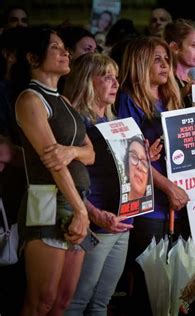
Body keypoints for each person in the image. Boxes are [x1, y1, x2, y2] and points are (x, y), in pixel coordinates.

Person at [115, 36, 195, 315]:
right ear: (139, 63)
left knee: (181, 288)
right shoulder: (128, 100)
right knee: (148, 288)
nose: (164, 64)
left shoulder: (173, 99)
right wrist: (168, 187)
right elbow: (130, 156)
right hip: (150, 208)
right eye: (156, 59)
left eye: (166, 59)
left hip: (184, 204)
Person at [14, 27, 94, 315]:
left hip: (75, 199)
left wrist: (72, 150)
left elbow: (90, 153)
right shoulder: (30, 99)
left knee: (62, 301)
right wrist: (81, 210)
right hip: (48, 199)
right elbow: (53, 162)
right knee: (41, 301)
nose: (65, 52)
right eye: (55, 48)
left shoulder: (64, 101)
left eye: (65, 47)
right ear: (33, 57)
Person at [63, 53, 137, 315]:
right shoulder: (77, 124)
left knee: (102, 303)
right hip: (96, 222)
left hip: (122, 221)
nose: (115, 83)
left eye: (116, 77)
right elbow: (67, 178)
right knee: (77, 301)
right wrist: (93, 213)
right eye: (106, 77)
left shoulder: (115, 123)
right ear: (86, 81)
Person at [164, 18, 195, 108]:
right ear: (174, 47)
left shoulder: (192, 80)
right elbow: (161, 111)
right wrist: (184, 92)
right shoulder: (164, 81)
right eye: (194, 45)